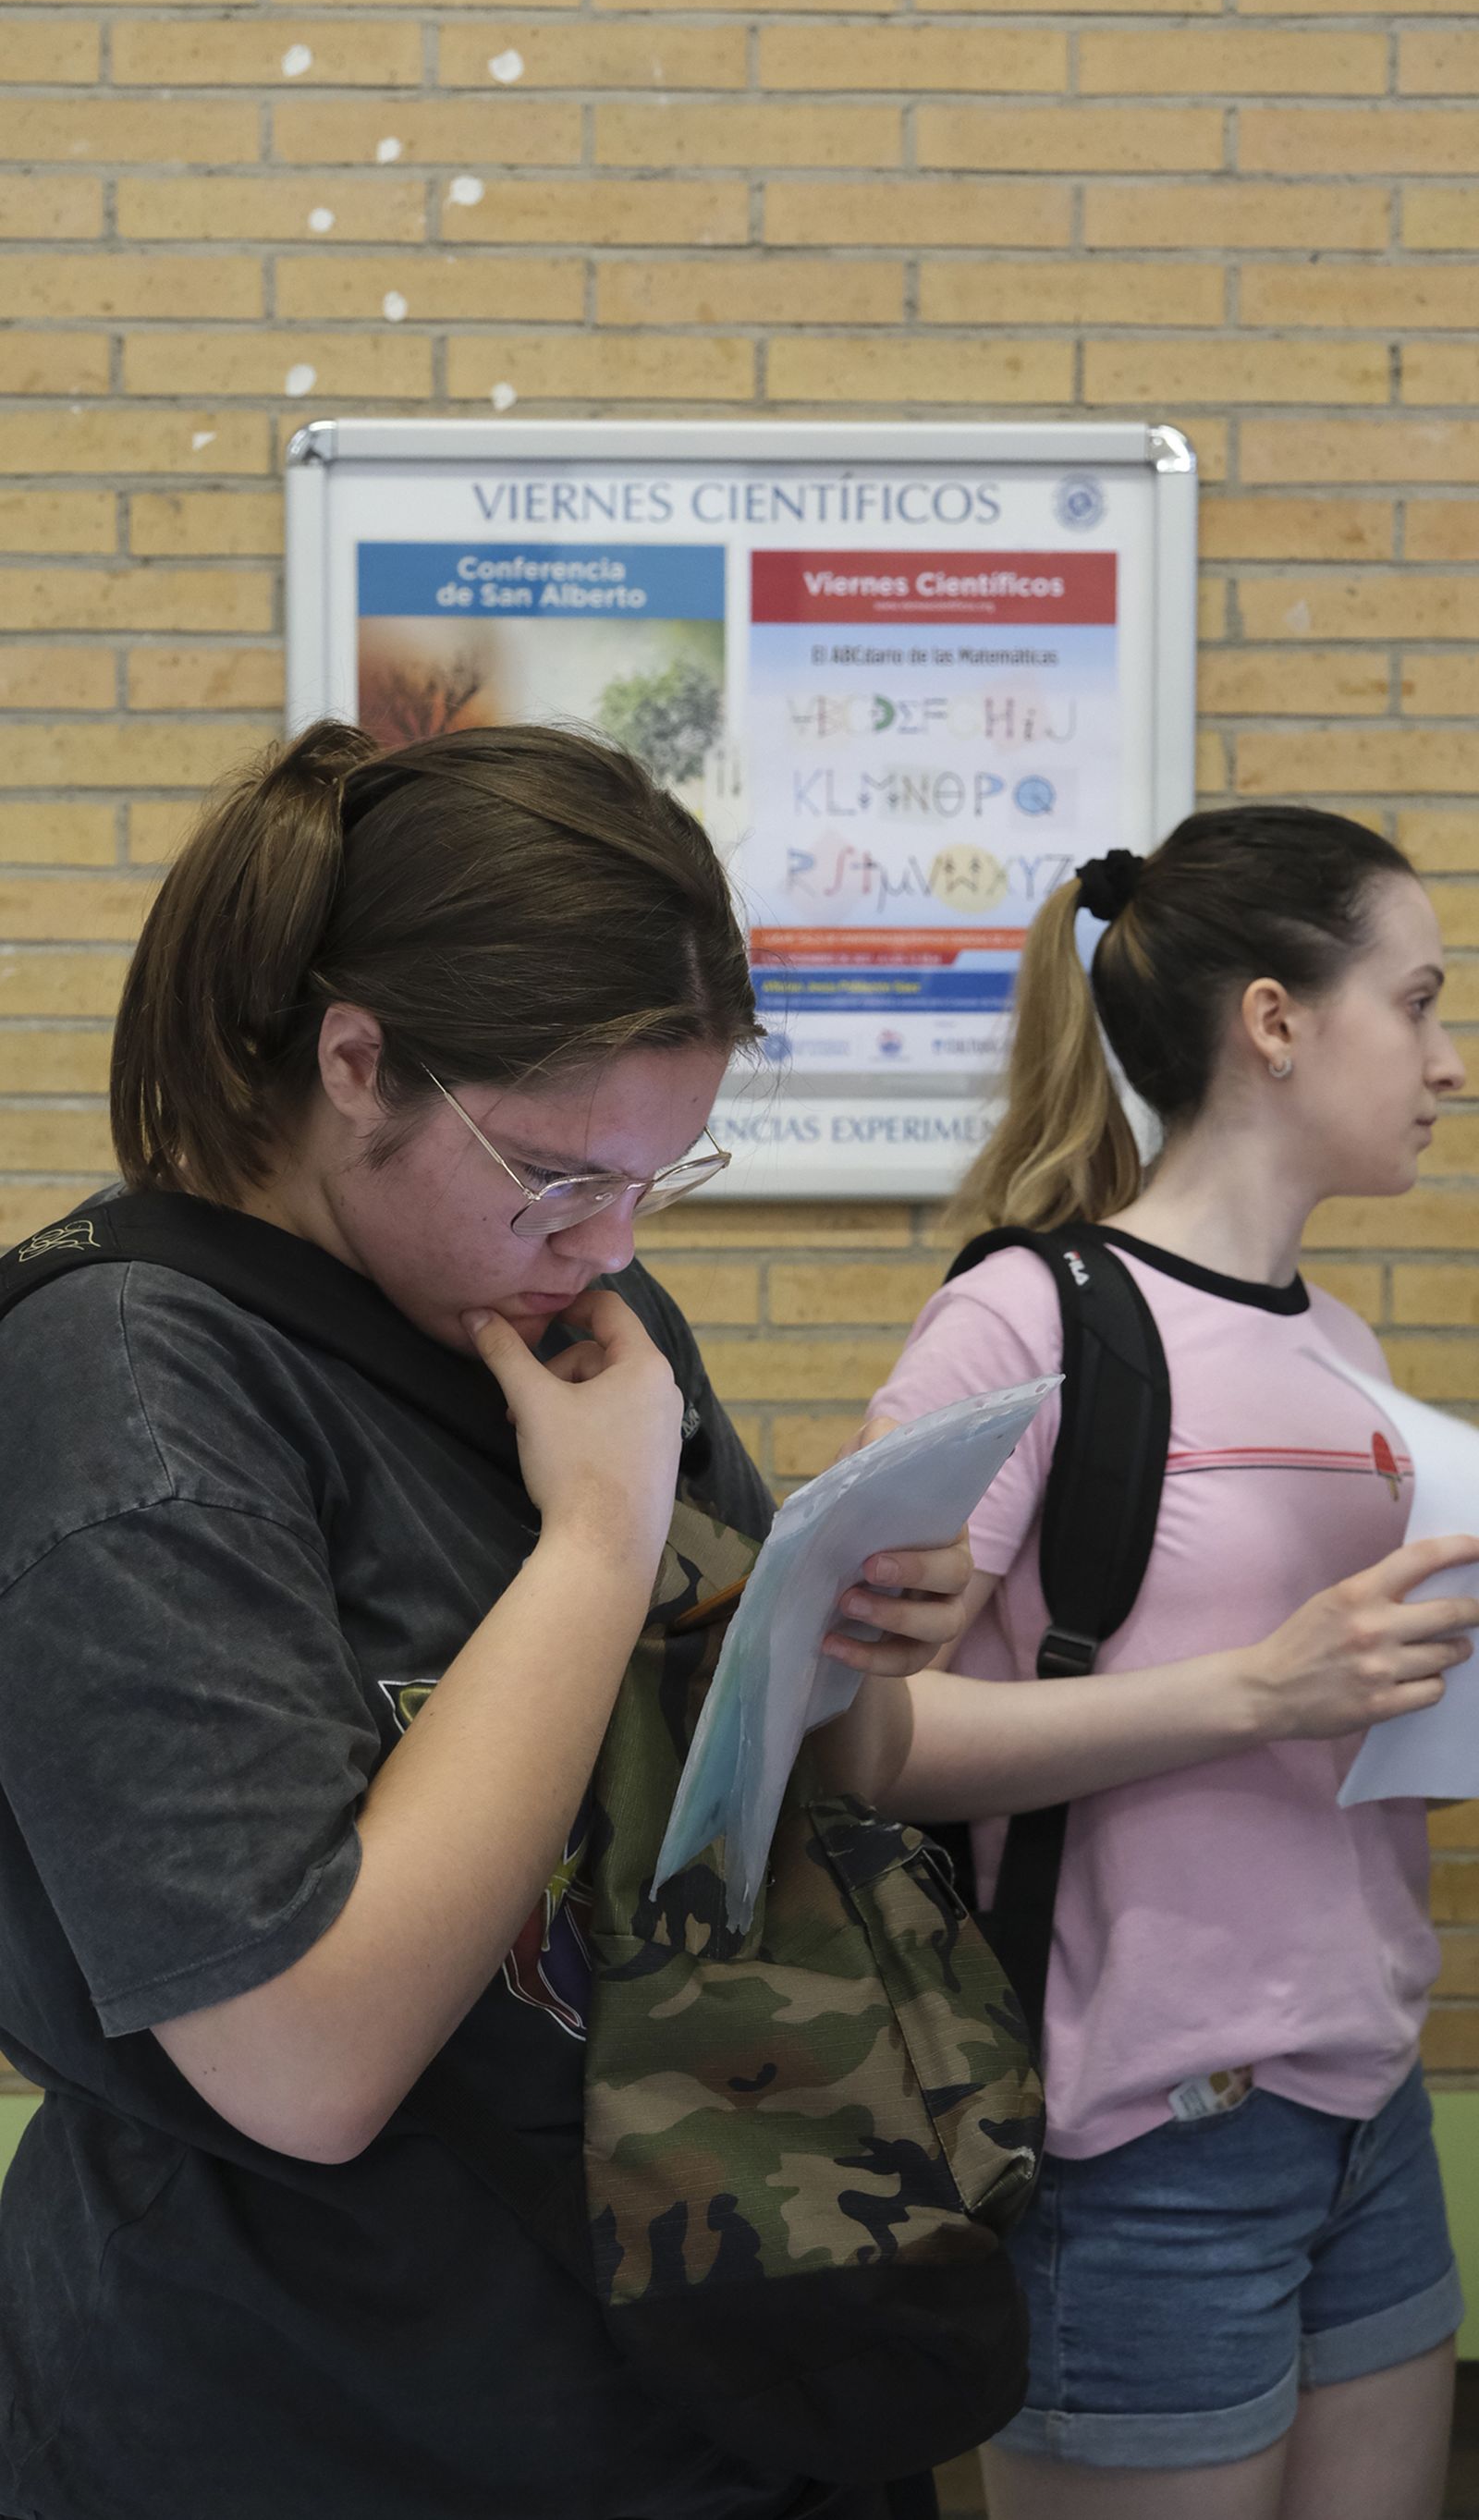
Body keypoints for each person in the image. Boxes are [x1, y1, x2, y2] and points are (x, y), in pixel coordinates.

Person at [0, 720, 978, 2520]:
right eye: (553, 1175)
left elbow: (784, 1766)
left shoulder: (571, 1323)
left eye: (654, 1181)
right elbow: (305, 2060)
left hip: (703, 2348)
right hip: (321, 2412)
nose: (605, 1244)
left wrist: (835, 1635)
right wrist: (601, 1542)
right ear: (354, 1062)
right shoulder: (130, 1388)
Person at [834, 806, 1479, 2520]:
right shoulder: (1023, 1321)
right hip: (1136, 2149)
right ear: (1275, 1019)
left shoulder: (1343, 1345)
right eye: (1415, 1004)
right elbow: (862, 1740)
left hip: (1368, 2107)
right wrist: (1260, 1689)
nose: (1450, 1060)